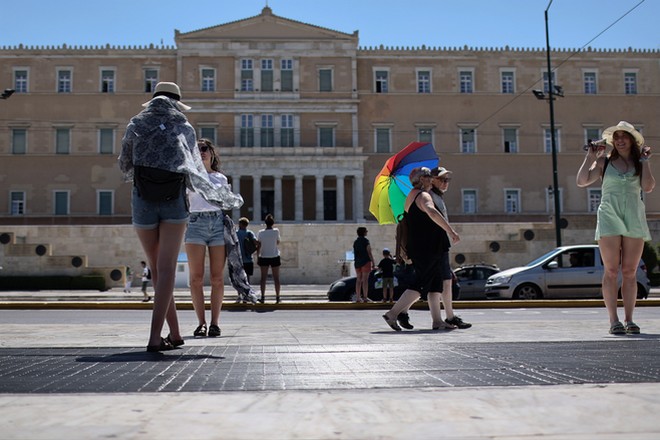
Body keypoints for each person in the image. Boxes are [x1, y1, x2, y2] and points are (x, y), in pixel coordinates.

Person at [119, 82, 243, 352]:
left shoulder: (135, 124)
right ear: (176, 103)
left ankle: (174, 333)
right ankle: (155, 337)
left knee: (156, 270)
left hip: (142, 199)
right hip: (173, 200)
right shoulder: (184, 128)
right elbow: (196, 171)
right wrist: (224, 198)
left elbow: (125, 165)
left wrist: (147, 173)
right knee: (166, 270)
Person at [576, 121, 654, 335]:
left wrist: (645, 162)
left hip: (634, 216)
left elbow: (647, 187)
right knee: (611, 270)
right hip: (609, 215)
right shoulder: (604, 161)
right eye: (616, 136)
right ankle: (614, 320)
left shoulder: (640, 162)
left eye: (624, 136)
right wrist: (590, 158)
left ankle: (630, 319)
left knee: (630, 271)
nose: (619, 140)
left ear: (631, 140)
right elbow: (582, 181)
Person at [382, 166, 460, 331]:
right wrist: (450, 231)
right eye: (428, 177)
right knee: (421, 285)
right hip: (427, 248)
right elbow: (431, 212)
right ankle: (393, 313)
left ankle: (437, 321)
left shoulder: (411, 195)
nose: (432, 179)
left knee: (435, 285)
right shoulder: (423, 195)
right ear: (422, 180)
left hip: (426, 247)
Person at [184, 139, 229, 338]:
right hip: (196, 223)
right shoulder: (189, 177)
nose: (201, 152)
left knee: (217, 278)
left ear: (211, 153)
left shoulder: (221, 178)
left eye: (204, 149)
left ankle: (215, 323)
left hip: (217, 224)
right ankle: (201, 322)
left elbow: (225, 201)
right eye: (197, 150)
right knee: (196, 278)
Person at [427, 166, 471, 329]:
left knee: (445, 282)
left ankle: (449, 316)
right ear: (432, 180)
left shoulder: (437, 197)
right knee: (436, 284)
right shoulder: (429, 197)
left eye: (447, 180)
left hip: (441, 244)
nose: (446, 183)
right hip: (436, 246)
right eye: (442, 179)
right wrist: (451, 231)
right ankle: (439, 319)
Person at [257, 214, 281, 303]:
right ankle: (278, 297)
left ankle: (263, 297)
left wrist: (257, 256)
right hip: (274, 256)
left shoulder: (260, 233)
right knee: (276, 278)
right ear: (273, 223)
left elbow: (258, 246)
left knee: (263, 278)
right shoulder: (276, 231)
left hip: (264, 256)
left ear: (265, 223)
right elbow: (278, 242)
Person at [353, 226, 375, 303]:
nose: (367, 232)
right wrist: (373, 262)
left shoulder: (355, 242)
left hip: (357, 262)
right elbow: (369, 252)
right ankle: (365, 297)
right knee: (365, 280)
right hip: (366, 262)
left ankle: (358, 297)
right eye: (366, 231)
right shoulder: (366, 241)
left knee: (358, 280)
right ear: (364, 232)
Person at [236, 217, 257, 285]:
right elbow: (256, 242)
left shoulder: (236, 233)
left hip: (238, 259)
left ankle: (240, 293)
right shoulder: (250, 233)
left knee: (239, 277)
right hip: (248, 259)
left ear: (241, 224)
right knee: (247, 277)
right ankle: (247, 292)